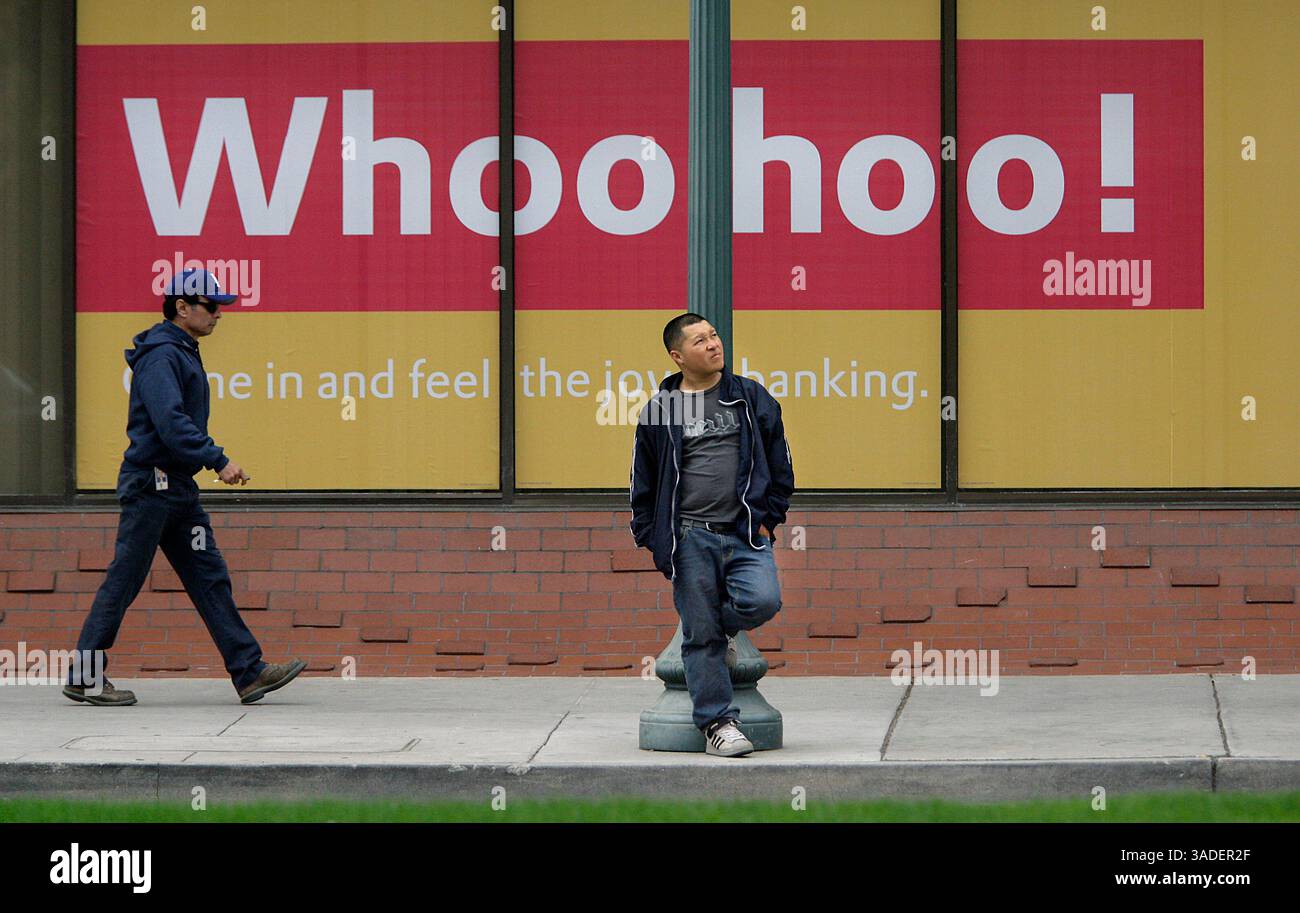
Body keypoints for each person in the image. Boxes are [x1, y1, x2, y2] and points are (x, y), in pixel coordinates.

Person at [64, 268, 305, 706]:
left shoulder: (182, 351)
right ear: (182, 307)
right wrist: (218, 459)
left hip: (177, 489)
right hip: (151, 485)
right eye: (212, 306)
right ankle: (85, 677)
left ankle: (249, 673)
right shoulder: (161, 355)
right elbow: (171, 423)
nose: (219, 315)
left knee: (210, 578)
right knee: (125, 580)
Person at [629, 313, 794, 757]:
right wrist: (654, 539)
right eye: (700, 340)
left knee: (762, 600)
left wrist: (767, 518)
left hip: (744, 533)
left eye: (715, 336)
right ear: (678, 356)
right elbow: (642, 482)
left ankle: (711, 632)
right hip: (689, 539)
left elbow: (780, 463)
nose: (713, 345)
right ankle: (719, 725)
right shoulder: (661, 410)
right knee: (700, 636)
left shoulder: (749, 397)